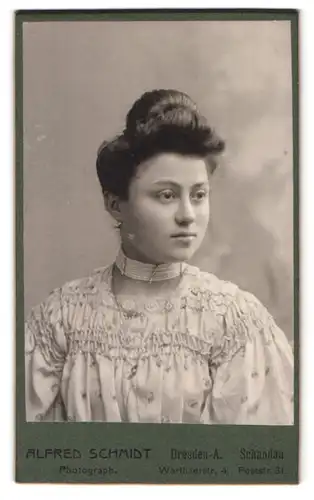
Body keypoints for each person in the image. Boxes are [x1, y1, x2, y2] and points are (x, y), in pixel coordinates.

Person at [25, 89, 294, 424]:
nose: (187, 215)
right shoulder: (60, 320)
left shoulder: (236, 322)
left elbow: (245, 464)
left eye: (198, 195)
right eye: (166, 195)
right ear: (115, 203)